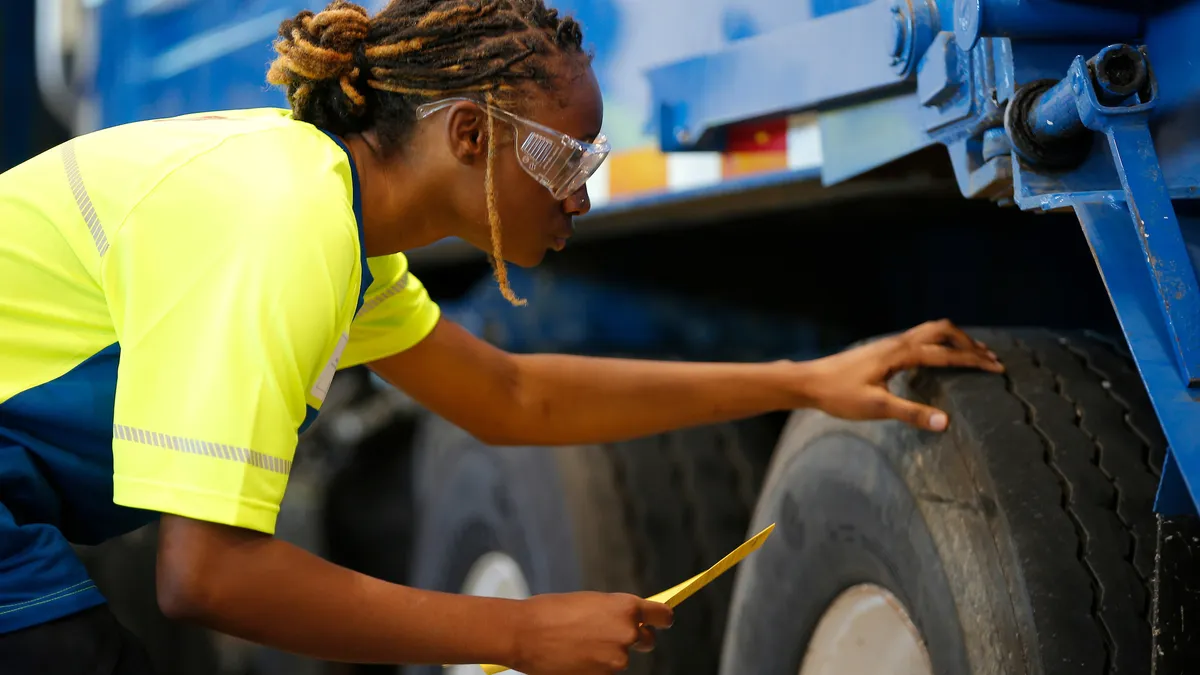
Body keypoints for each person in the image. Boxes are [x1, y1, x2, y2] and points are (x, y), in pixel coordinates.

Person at [0, 0, 1004, 673]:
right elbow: (204, 573)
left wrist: (807, 381)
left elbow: (514, 399)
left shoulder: (339, 235)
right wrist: (519, 631)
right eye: (570, 156)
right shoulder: (280, 219)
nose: (585, 190)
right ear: (470, 139)